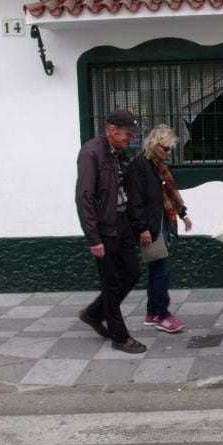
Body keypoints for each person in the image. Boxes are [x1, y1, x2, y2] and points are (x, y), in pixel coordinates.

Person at [75, 109, 147, 354]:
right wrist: (93, 238)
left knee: (133, 272)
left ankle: (94, 313)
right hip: (105, 227)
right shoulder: (91, 153)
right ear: (112, 130)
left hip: (122, 220)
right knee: (111, 282)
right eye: (128, 134)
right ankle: (120, 337)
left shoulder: (116, 152)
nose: (131, 138)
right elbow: (84, 197)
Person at [126, 124, 192, 333]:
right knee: (162, 268)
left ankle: (152, 312)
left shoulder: (158, 165)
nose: (168, 152)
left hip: (162, 224)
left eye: (170, 149)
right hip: (150, 227)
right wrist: (142, 228)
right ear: (154, 144)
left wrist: (183, 214)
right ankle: (161, 314)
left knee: (157, 269)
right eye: (165, 148)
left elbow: (169, 193)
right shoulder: (140, 166)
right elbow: (135, 200)